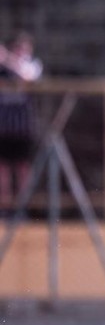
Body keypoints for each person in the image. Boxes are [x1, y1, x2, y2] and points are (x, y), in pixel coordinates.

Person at [0, 32, 42, 212]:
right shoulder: (3, 69)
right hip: (4, 127)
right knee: (3, 168)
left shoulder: (33, 65)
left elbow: (28, 76)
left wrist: (7, 58)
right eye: (19, 49)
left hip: (23, 128)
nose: (22, 52)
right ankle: (4, 207)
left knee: (22, 167)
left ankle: (23, 208)